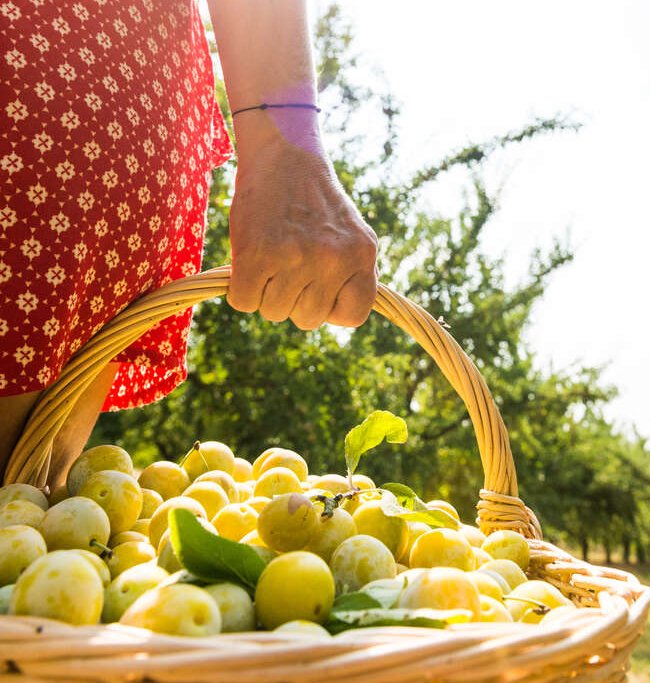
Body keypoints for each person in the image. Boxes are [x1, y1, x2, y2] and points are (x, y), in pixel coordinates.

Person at [0, 0, 378, 486]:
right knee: (22, 512)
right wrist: (279, 141)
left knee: (20, 518)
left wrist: (282, 145)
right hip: (109, 79)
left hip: (75, 83)